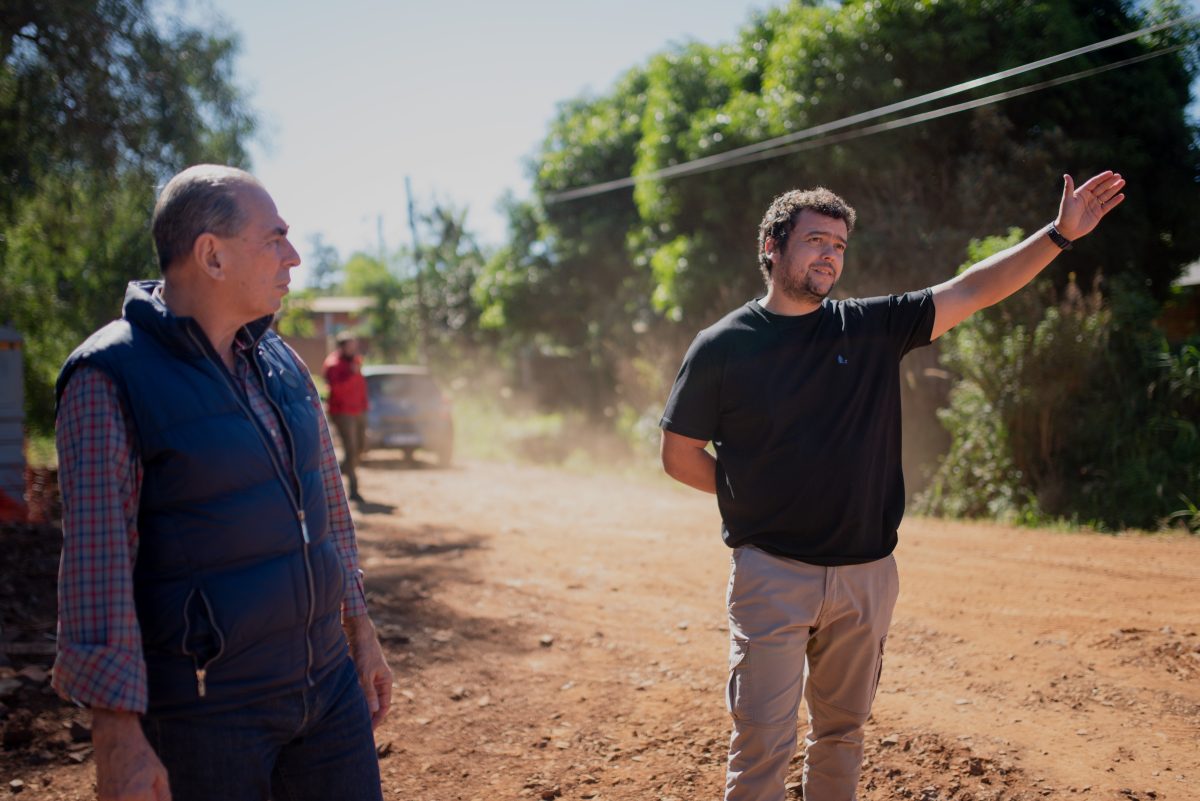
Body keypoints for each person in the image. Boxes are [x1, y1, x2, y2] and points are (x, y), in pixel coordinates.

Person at [659, 171, 1125, 801]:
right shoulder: (720, 346)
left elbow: (973, 289)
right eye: (816, 239)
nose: (830, 254)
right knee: (762, 740)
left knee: (842, 734)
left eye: (840, 245)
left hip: (866, 576)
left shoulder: (871, 327)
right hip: (772, 573)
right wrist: (754, 495)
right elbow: (679, 453)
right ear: (772, 244)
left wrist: (1058, 236)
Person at [53, 165, 393, 801]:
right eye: (275, 239)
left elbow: (329, 513)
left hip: (327, 692)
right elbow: (97, 572)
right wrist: (117, 736)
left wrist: (358, 627)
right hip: (207, 715)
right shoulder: (108, 377)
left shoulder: (282, 360)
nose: (293, 256)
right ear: (211, 254)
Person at [323, 330, 369, 502]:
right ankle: (353, 491)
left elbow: (361, 386)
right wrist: (352, 374)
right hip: (342, 413)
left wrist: (365, 407)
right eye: (350, 345)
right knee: (351, 450)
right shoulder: (333, 364)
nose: (354, 348)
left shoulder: (356, 361)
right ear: (342, 347)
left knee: (360, 449)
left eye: (355, 345)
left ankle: (336, 473)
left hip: (359, 411)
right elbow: (337, 389)